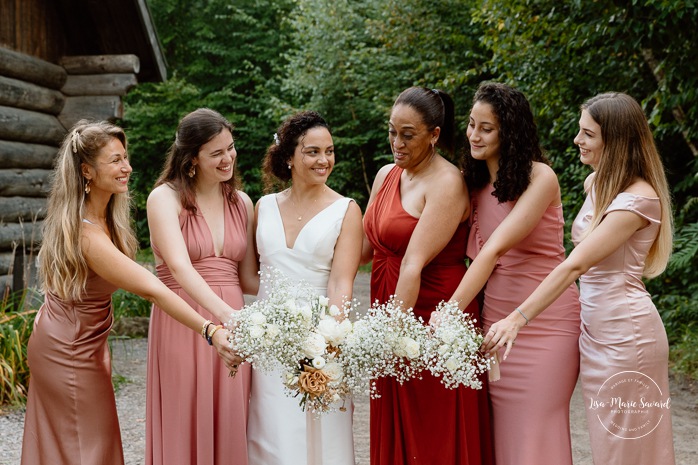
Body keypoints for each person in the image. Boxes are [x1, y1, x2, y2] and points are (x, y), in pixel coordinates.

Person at [20, 121, 238, 465]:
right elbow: (153, 289)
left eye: (126, 158)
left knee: (91, 442)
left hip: (86, 342)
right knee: (85, 446)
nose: (128, 168)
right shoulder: (86, 234)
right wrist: (211, 330)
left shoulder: (108, 217)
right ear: (87, 171)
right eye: (116, 161)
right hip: (66, 348)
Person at [483, 92, 676, 464]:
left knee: (625, 450)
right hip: (596, 335)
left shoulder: (639, 200)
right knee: (608, 445)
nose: (577, 140)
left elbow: (575, 265)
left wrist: (517, 318)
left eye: (587, 134)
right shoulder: (595, 184)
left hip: (628, 336)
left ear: (614, 140)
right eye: (579, 131)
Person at [442, 82, 581, 465]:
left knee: (537, 431)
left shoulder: (541, 178)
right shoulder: (471, 185)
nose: (474, 135)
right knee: (503, 436)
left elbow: (494, 249)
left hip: (546, 321)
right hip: (494, 325)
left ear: (510, 132)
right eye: (471, 124)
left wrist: (447, 313)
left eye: (486, 128)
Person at [362, 86, 494, 465]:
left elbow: (412, 264)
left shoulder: (447, 183)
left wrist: (387, 338)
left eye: (408, 135)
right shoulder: (386, 174)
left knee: (432, 431)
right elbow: (363, 252)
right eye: (391, 132)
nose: (396, 143)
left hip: (432, 316)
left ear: (434, 135)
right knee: (396, 419)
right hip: (390, 304)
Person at [247, 110, 363, 465]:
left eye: (329, 151)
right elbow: (250, 277)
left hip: (320, 336)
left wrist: (328, 342)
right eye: (313, 152)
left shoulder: (346, 210)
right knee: (272, 433)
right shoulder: (263, 206)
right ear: (289, 157)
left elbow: (341, 281)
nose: (324, 160)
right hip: (269, 341)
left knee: (323, 433)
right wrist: (264, 325)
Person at [145, 108, 258, 464]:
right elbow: (178, 267)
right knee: (184, 417)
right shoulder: (165, 199)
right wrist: (225, 314)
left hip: (234, 322)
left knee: (230, 417)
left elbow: (250, 278)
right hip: (183, 320)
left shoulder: (242, 203)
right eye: (217, 153)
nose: (229, 159)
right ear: (191, 158)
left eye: (231, 147)